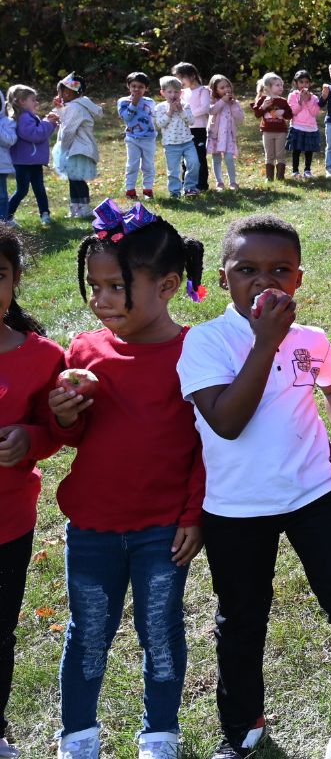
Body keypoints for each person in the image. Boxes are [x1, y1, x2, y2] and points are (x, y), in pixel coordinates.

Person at [176, 215, 331, 759]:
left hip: (313, 494)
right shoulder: (205, 343)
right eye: (247, 270)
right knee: (242, 618)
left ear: (298, 278)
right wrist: (264, 343)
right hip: (235, 508)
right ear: (224, 279)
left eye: (279, 270)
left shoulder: (310, 340)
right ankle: (243, 727)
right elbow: (227, 421)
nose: (264, 280)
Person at [46, 204, 207, 759]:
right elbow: (72, 437)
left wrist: (192, 514)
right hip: (91, 526)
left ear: (166, 286)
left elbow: (206, 447)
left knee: (160, 634)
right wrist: (65, 413)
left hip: (162, 530)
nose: (101, 299)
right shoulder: (85, 351)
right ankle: (77, 735)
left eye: (116, 286)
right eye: (95, 286)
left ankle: (159, 733)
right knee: (87, 632)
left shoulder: (195, 353)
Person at [0, 225, 65, 759]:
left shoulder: (43, 356)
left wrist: (30, 438)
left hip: (8, 523)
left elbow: (57, 430)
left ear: (16, 280)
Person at [5, 84, 57, 225]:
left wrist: (49, 122)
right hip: (23, 163)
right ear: (22, 101)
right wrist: (49, 123)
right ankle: (6, 216)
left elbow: (40, 131)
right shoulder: (23, 118)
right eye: (33, 100)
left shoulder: (29, 116)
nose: (36, 102)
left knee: (39, 189)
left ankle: (45, 214)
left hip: (33, 161)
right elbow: (34, 135)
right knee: (22, 190)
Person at [52, 74, 102, 219]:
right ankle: (76, 208)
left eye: (63, 92)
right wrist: (60, 109)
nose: (61, 95)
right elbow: (65, 122)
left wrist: (62, 149)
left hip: (78, 148)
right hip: (77, 148)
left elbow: (68, 130)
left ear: (70, 93)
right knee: (74, 178)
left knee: (77, 179)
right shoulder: (76, 105)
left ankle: (84, 208)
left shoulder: (75, 107)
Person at [153, 77, 198, 198]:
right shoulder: (160, 108)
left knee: (194, 164)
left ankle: (190, 188)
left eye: (176, 92)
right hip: (171, 144)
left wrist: (181, 110)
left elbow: (191, 122)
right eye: (169, 92)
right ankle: (175, 192)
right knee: (173, 170)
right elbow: (160, 124)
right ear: (163, 93)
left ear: (181, 92)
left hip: (187, 142)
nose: (173, 95)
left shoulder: (185, 105)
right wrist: (170, 112)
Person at [118, 72, 158, 200]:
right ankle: (130, 190)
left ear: (146, 88)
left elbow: (153, 118)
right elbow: (126, 117)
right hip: (132, 138)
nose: (137, 89)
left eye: (141, 87)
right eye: (133, 86)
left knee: (148, 165)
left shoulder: (150, 102)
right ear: (128, 86)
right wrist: (133, 103)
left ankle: (148, 190)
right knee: (132, 164)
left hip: (149, 138)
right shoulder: (123, 101)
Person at [174, 63, 210, 192]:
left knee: (199, 157)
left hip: (198, 129)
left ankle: (201, 185)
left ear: (192, 75)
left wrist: (186, 114)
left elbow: (205, 108)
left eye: (181, 78)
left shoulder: (203, 90)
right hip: (185, 129)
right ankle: (187, 185)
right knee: (186, 158)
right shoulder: (183, 92)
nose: (180, 82)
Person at [206, 75, 246, 191]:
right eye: (222, 88)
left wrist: (233, 104)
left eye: (227, 86)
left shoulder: (234, 103)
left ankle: (233, 182)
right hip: (215, 136)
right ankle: (219, 182)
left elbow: (240, 119)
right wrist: (222, 102)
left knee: (229, 158)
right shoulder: (213, 102)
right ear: (215, 90)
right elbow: (211, 111)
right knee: (216, 158)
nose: (226, 89)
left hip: (228, 136)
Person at [251, 73, 290, 183]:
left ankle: (280, 177)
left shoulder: (283, 101)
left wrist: (283, 112)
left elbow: (289, 115)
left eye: (281, 85)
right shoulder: (263, 99)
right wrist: (263, 107)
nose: (281, 87)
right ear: (268, 87)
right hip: (267, 131)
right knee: (270, 154)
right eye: (277, 85)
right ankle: (269, 177)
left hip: (281, 131)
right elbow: (257, 114)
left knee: (280, 154)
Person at [286, 71, 323, 180]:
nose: (304, 85)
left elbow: (315, 113)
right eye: (301, 82)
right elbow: (293, 111)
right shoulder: (292, 96)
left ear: (310, 84)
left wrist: (308, 101)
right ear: (296, 83)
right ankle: (295, 171)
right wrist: (301, 101)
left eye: (307, 82)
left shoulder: (314, 98)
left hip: (311, 128)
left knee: (308, 151)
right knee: (296, 150)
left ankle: (307, 170)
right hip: (297, 126)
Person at [0, 102, 12, 226]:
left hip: (1, 166)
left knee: (2, 196)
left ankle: (3, 224)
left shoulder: (7, 122)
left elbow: (10, 141)